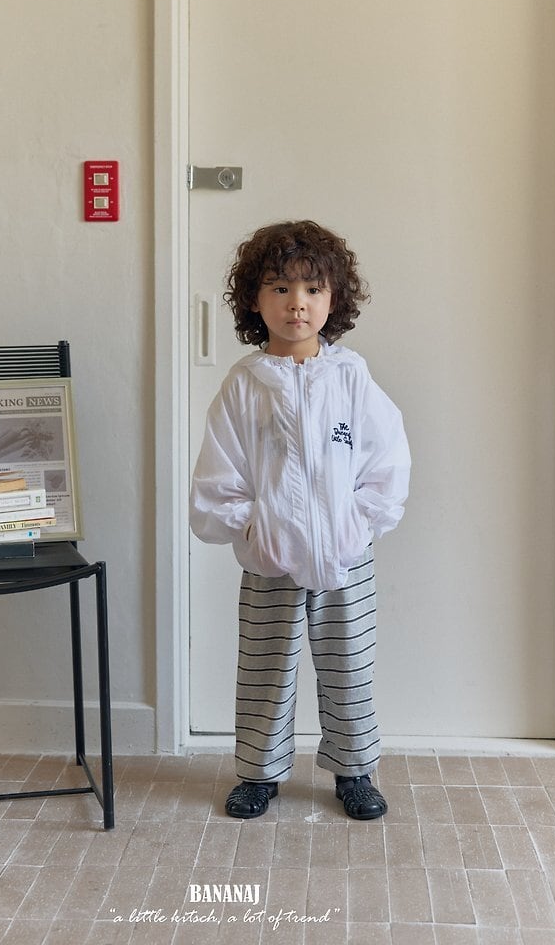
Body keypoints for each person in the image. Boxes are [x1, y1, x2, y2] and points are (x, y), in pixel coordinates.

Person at [189, 220, 411, 821]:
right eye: (280, 288)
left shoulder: (351, 378)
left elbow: (386, 459)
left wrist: (358, 525)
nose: (297, 303)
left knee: (349, 666)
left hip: (345, 558)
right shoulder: (245, 386)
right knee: (266, 668)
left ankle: (354, 769)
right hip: (270, 562)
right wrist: (254, 530)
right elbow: (219, 475)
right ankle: (258, 773)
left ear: (334, 299)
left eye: (313, 289)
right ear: (254, 300)